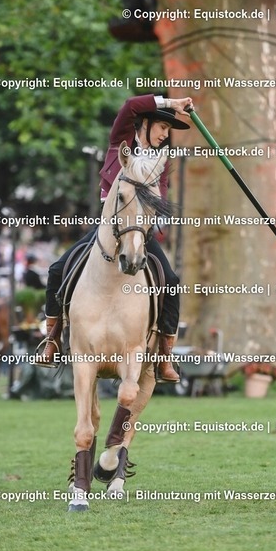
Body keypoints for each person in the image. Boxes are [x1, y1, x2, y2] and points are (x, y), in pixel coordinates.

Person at [36, 93, 194, 382]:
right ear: (144, 123)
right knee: (57, 269)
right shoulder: (119, 143)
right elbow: (130, 105)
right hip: (107, 229)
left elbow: (160, 202)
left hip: (141, 233)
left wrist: (150, 212)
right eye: (162, 127)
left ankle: (164, 355)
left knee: (170, 281)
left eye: (168, 130)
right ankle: (53, 339)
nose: (165, 134)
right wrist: (171, 104)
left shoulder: (160, 162)